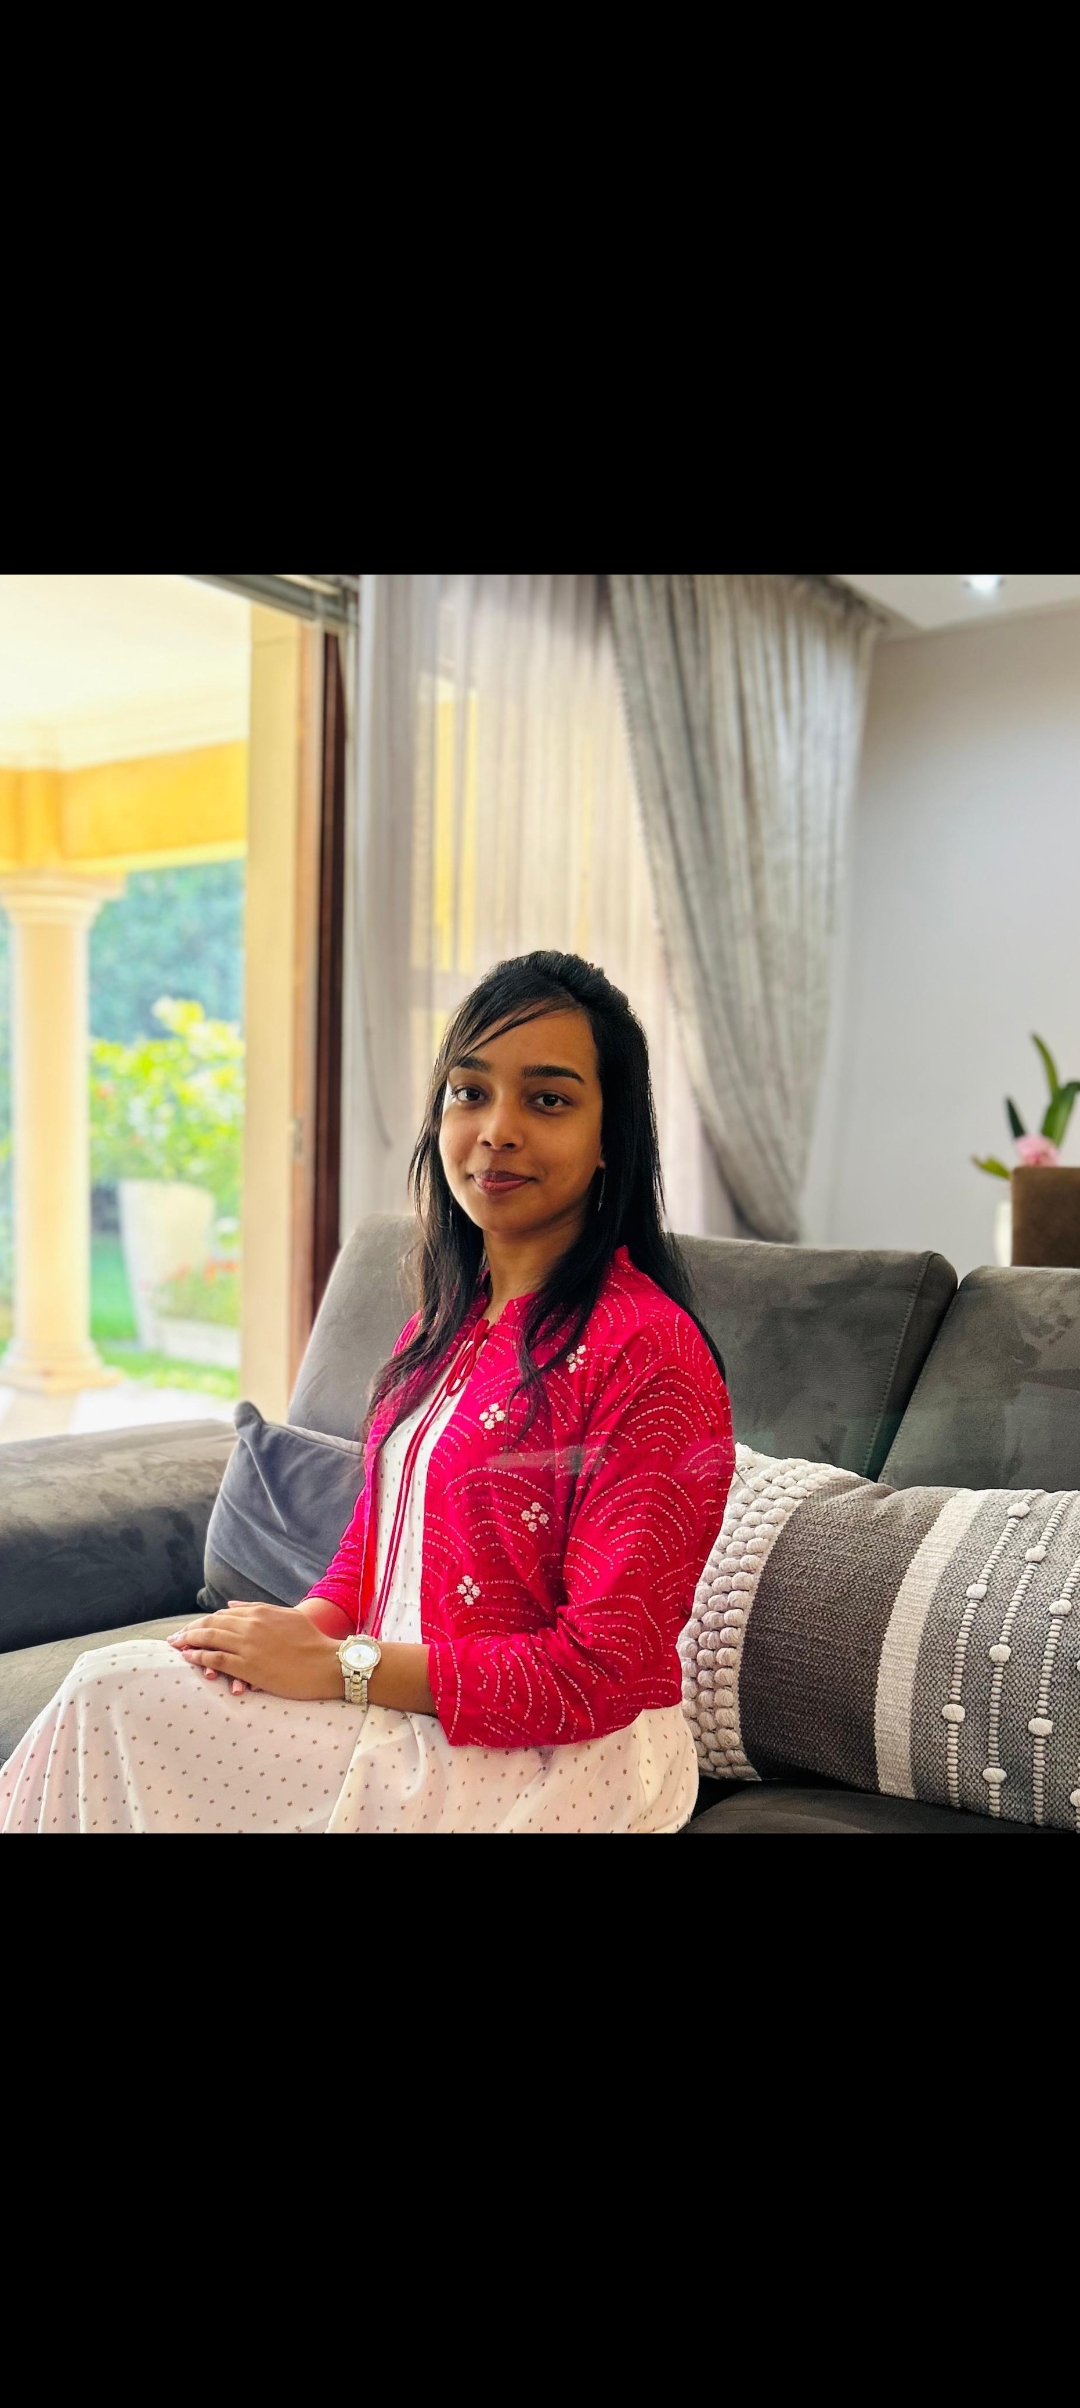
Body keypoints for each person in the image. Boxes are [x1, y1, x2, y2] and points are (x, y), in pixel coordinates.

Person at [1, 952, 733, 1834]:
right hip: (401, 1706)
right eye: (470, 1092)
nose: (497, 1130)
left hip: (558, 1761)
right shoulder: (445, 1322)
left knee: (114, 1693)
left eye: (548, 1100)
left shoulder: (650, 1355)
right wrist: (291, 1637)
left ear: (612, 1135)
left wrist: (339, 1669)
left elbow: (603, 1673)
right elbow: (376, 1543)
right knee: (143, 1684)